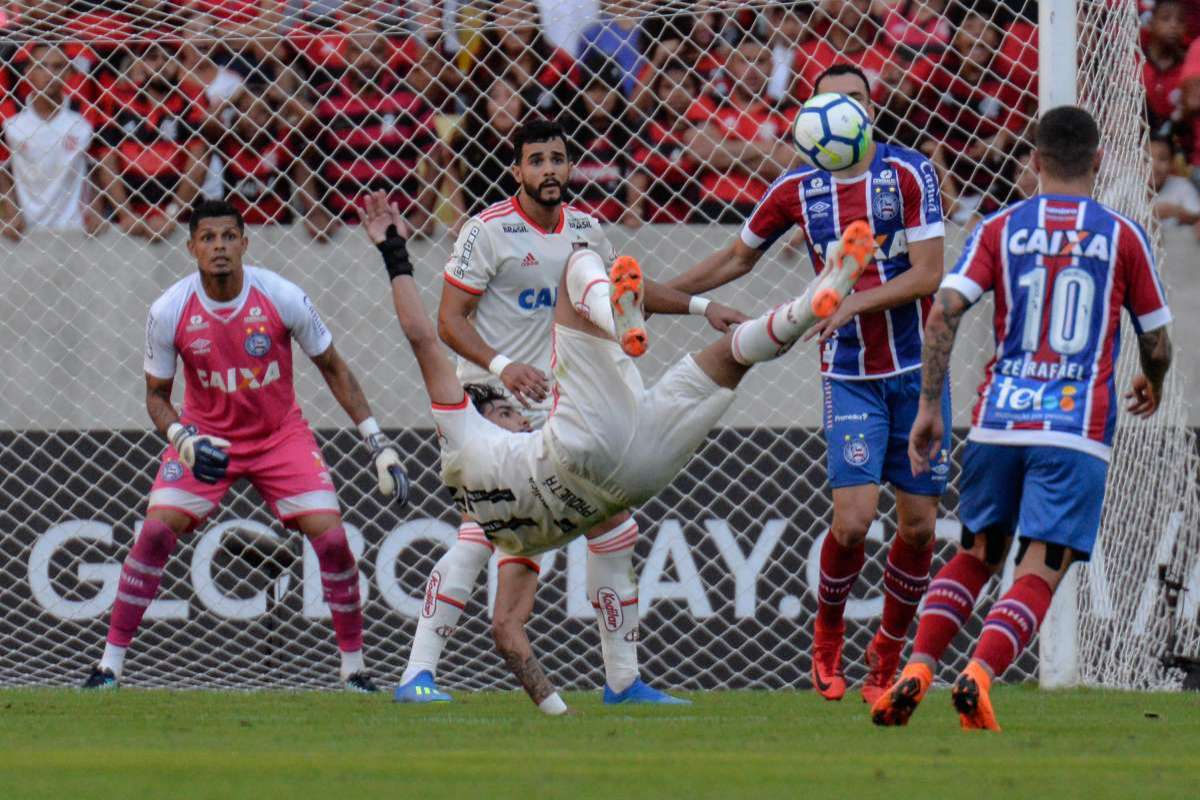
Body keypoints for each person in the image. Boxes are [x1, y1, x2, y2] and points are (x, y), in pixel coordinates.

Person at [365, 187, 876, 714]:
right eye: (509, 413)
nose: (518, 418)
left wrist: (553, 707)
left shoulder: (504, 523)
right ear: (487, 414)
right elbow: (426, 334)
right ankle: (622, 317)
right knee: (580, 260)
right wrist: (397, 256)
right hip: (587, 447)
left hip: (627, 479)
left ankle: (805, 307)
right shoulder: (479, 436)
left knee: (728, 358)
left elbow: (506, 630)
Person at [871, 105, 1173, 731]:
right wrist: (1154, 379)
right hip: (1073, 427)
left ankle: (918, 666)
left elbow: (944, 312)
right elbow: (1158, 340)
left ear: (1033, 161)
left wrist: (930, 405)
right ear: (1097, 161)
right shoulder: (1123, 235)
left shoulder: (998, 227)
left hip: (997, 420)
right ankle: (977, 677)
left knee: (977, 553)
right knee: (1040, 567)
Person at [666, 63, 948, 705]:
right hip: (848, 371)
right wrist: (663, 295)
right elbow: (739, 256)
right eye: (830, 103)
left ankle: (887, 655)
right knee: (851, 524)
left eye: (853, 100)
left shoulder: (909, 173)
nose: (843, 112)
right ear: (811, 119)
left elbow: (930, 272)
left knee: (918, 527)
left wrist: (855, 300)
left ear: (871, 108)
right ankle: (826, 639)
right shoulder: (797, 185)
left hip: (915, 370)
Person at [394, 119, 685, 707]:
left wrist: (701, 307)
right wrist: (502, 367)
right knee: (483, 530)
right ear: (517, 170)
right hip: (491, 402)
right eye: (537, 160)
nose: (549, 170)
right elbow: (450, 321)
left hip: (560, 408)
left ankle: (623, 683)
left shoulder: (586, 231)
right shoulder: (488, 231)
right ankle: (416, 675)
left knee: (614, 525)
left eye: (558, 158)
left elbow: (618, 301)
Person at [81, 198, 408, 692]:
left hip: (280, 437)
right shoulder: (169, 309)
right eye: (208, 238)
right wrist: (181, 439)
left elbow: (335, 368)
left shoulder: (282, 296)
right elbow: (155, 396)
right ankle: (108, 667)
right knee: (152, 536)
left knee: (335, 543)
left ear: (244, 243)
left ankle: (355, 670)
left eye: (229, 237)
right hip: (204, 437)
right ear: (191, 247)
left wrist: (378, 442)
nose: (219, 247)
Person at [94, 39, 209, 242]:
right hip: (125, 214)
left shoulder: (192, 99)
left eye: (168, 58)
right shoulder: (117, 99)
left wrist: (171, 215)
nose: (160, 64)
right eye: (152, 57)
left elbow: (198, 163)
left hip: (181, 216)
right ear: (140, 62)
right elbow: (106, 159)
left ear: (180, 63)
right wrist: (125, 213)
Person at [0, 43, 104, 239]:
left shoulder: (85, 115)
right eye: (41, 66)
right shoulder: (8, 115)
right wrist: (10, 211)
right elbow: (3, 167)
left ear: (68, 72)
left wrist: (96, 211)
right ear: (27, 72)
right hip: (25, 230)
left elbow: (98, 166)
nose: (50, 74)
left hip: (75, 228)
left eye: (58, 66)